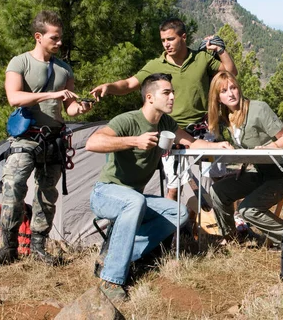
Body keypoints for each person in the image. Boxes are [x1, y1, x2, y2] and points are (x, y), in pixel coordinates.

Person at [86, 73, 232, 301]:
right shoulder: (128, 120)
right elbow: (92, 142)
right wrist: (134, 141)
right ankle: (111, 280)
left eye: (172, 92)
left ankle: (118, 257)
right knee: (136, 200)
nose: (173, 96)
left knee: (178, 213)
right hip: (106, 192)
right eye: (167, 92)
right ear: (150, 97)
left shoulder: (166, 123)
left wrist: (218, 146)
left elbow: (191, 142)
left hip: (134, 198)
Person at [0, 11, 92, 268]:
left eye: (61, 38)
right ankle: (8, 247)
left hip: (53, 140)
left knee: (47, 195)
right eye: (55, 38)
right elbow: (14, 97)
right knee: (13, 187)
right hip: (26, 138)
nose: (60, 43)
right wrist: (49, 95)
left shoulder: (65, 69)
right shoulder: (19, 62)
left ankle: (39, 247)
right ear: (38, 37)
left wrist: (81, 108)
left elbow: (70, 107)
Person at [90, 18, 237, 201]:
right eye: (163, 40)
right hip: (170, 132)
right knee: (174, 186)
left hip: (203, 130)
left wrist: (220, 50)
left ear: (183, 37)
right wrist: (109, 87)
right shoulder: (155, 65)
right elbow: (129, 84)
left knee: (217, 178)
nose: (166, 44)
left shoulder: (202, 58)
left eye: (170, 39)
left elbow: (230, 73)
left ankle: (227, 225)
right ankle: (172, 227)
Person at [207, 71, 283, 247]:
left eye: (233, 88)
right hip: (261, 173)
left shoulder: (258, 108)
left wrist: (269, 148)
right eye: (224, 91)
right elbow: (249, 145)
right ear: (217, 98)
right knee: (218, 191)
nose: (230, 93)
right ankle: (233, 239)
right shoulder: (226, 118)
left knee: (247, 210)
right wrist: (245, 164)